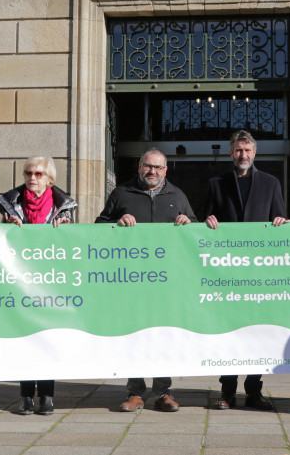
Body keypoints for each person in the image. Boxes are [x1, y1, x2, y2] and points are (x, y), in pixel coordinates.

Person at [95, 147, 196, 412]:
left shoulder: (178, 195)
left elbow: (196, 232)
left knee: (163, 335)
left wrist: (189, 222)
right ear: (140, 167)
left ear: (165, 170)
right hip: (132, 280)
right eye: (147, 166)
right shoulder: (121, 193)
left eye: (157, 167)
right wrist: (117, 220)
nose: (152, 171)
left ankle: (163, 392)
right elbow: (98, 228)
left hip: (166, 281)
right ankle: (135, 392)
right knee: (135, 334)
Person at [204, 130, 288, 411]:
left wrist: (280, 220)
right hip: (226, 272)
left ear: (255, 153)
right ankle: (227, 391)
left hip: (259, 273)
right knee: (230, 332)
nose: (243, 155)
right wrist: (207, 218)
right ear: (231, 153)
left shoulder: (271, 183)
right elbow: (202, 217)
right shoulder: (216, 183)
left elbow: (282, 218)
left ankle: (254, 389)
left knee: (258, 333)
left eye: (248, 150)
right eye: (239, 150)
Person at [0, 156, 77, 416]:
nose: (32, 177)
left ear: (50, 179)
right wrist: (8, 226)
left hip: (51, 281)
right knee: (25, 337)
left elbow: (72, 244)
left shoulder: (63, 207)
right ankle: (26, 396)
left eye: (39, 174)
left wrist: (67, 228)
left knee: (47, 336)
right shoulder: (11, 205)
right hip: (20, 280)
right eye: (28, 173)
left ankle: (47, 395)